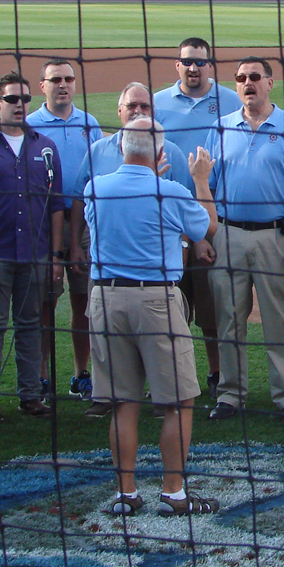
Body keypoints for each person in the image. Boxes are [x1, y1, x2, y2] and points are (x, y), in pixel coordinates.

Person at [86, 117, 222, 518]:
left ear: (122, 147)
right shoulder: (173, 192)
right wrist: (198, 182)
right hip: (155, 301)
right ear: (161, 152)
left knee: (124, 403)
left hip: (105, 300)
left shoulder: (96, 189)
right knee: (179, 401)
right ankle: (174, 493)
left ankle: (125, 494)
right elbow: (207, 229)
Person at [203, 57, 284, 423]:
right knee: (228, 318)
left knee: (280, 318)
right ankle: (230, 394)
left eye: (255, 77)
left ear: (269, 83)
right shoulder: (220, 128)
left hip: (276, 236)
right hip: (229, 234)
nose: (247, 83)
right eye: (241, 78)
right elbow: (209, 187)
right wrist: (208, 236)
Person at [71, 82, 193, 418]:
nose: (138, 111)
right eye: (132, 106)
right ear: (119, 110)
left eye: (145, 106)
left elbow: (184, 220)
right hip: (114, 268)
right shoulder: (97, 151)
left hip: (151, 269)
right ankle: (103, 393)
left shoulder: (174, 153)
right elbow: (79, 202)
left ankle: (155, 391)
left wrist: (182, 250)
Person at [0, 72, 65, 424]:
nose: (20, 106)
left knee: (31, 326)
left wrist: (55, 256)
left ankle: (30, 395)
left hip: (35, 255)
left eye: (24, 100)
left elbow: (56, 205)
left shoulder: (45, 147)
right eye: (12, 100)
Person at [153, 37, 243, 395]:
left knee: (210, 307)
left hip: (210, 220)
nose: (193, 68)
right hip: (164, 221)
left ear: (210, 65)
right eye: (187, 62)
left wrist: (205, 233)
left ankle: (216, 373)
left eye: (200, 62)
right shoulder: (157, 103)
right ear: (177, 65)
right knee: (163, 305)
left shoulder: (230, 101)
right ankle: (163, 377)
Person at [25, 58, 103, 402]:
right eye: (55, 79)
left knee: (84, 302)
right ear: (42, 85)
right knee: (43, 303)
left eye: (69, 79)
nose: (63, 85)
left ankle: (81, 374)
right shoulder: (29, 125)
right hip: (44, 224)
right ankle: (41, 376)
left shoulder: (90, 124)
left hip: (85, 223)